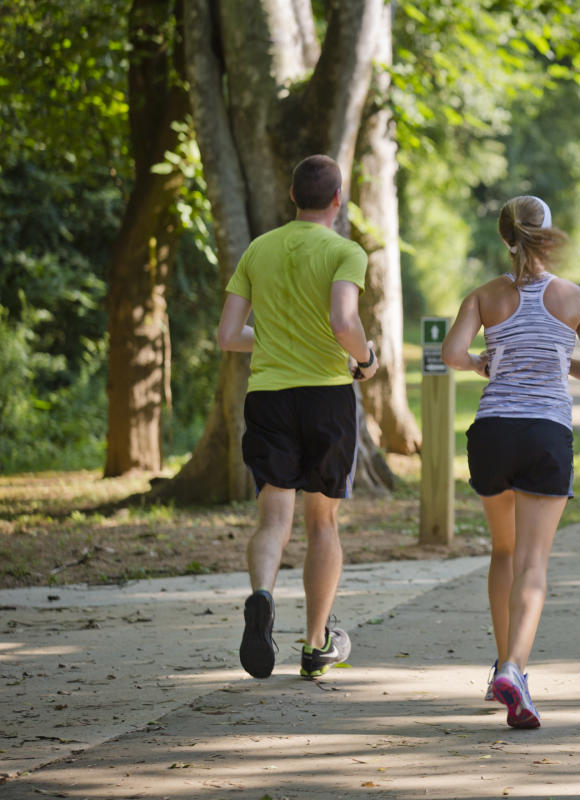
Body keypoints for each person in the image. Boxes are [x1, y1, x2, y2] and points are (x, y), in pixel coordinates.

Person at [442, 195, 580, 729]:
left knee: (503, 551)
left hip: (492, 432)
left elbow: (452, 355)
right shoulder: (572, 297)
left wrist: (480, 363)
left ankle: (502, 663)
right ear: (546, 233)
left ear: (504, 237)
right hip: (545, 433)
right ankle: (516, 669)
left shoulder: (486, 295)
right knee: (533, 561)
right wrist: (563, 364)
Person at [217, 154, 379, 680]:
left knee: (273, 519)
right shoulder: (344, 251)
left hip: (268, 394)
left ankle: (262, 595)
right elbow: (342, 320)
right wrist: (366, 359)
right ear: (337, 200)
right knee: (322, 521)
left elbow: (227, 336)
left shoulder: (258, 250)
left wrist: (272, 341)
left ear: (292, 197)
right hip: (326, 396)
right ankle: (314, 645)